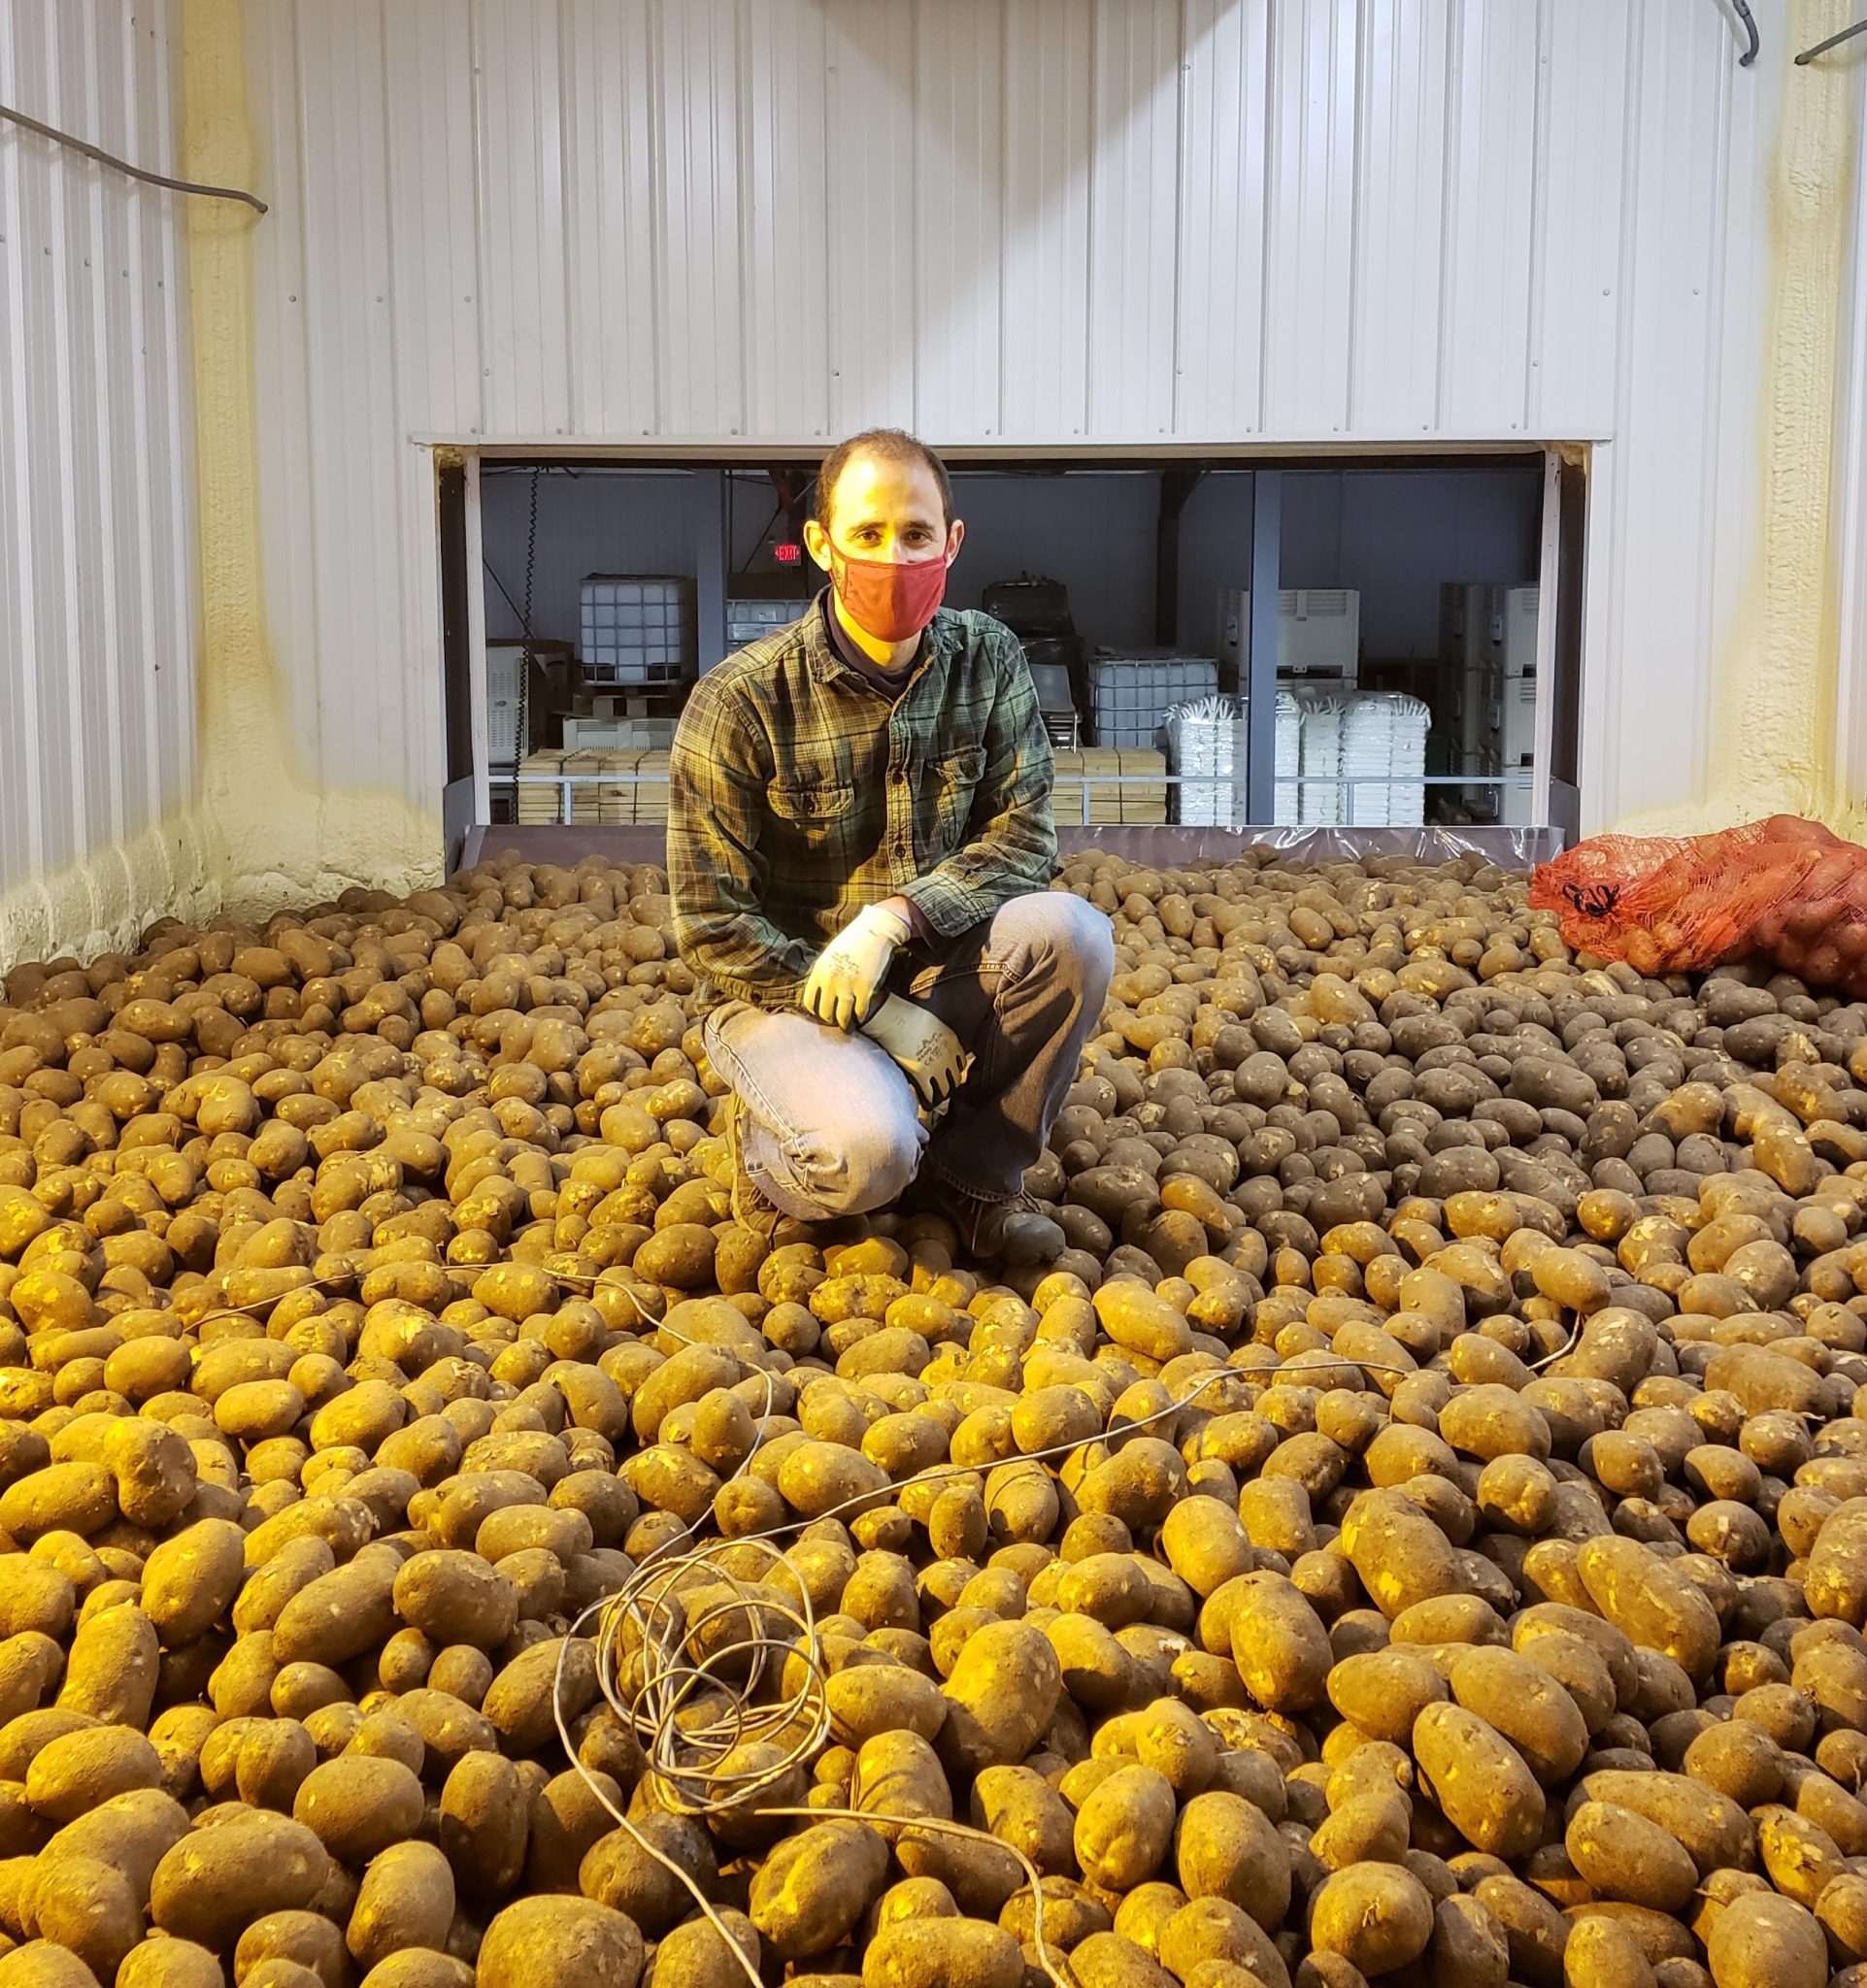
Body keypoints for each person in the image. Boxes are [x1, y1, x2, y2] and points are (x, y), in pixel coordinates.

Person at [667, 427, 1114, 1264]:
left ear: (951, 542)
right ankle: (774, 1162)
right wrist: (877, 1011)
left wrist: (894, 922)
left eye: (914, 535)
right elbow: (710, 926)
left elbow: (1022, 838)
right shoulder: (740, 702)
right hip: (783, 993)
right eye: (867, 535)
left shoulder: (987, 658)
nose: (894, 559)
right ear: (821, 545)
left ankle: (974, 1181)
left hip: (934, 963)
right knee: (863, 1161)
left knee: (1073, 935)